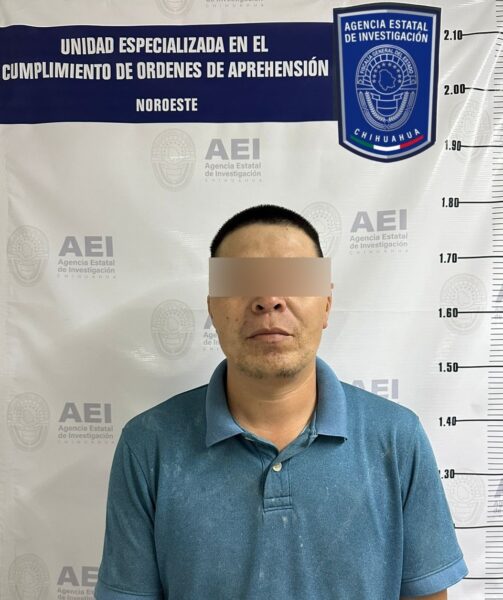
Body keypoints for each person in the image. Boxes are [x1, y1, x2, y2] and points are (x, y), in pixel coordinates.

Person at [94, 204, 468, 600]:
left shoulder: (397, 438)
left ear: (326, 304)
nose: (269, 299)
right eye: (242, 280)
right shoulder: (148, 444)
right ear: (212, 307)